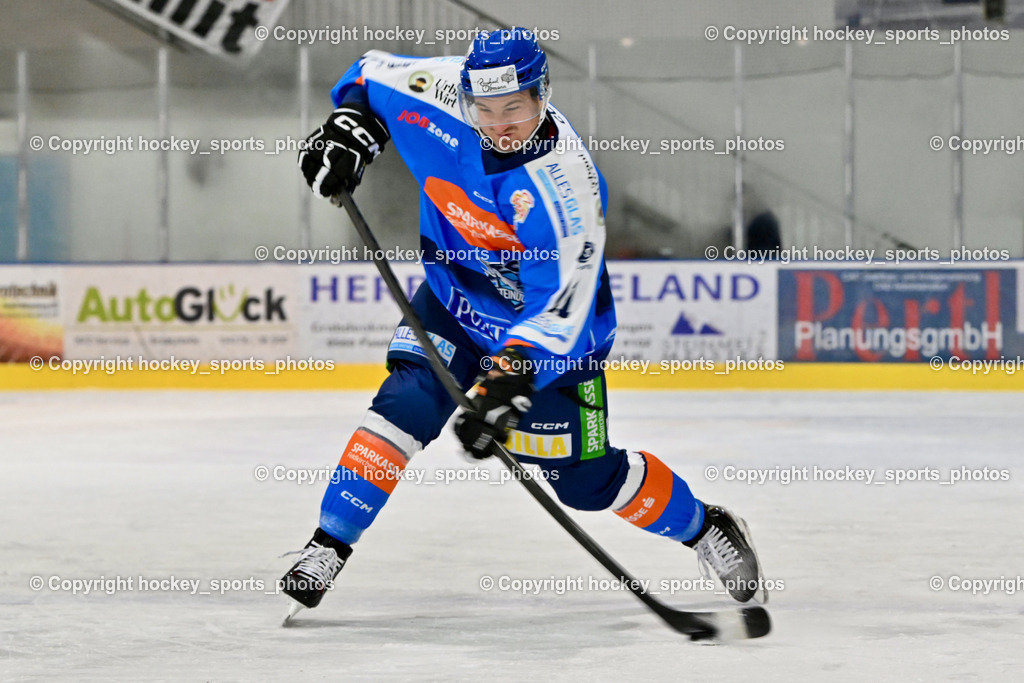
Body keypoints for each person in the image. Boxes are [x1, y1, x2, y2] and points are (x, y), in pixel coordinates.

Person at [280, 28, 766, 615]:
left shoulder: (568, 191)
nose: (499, 124)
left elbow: (560, 306)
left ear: (542, 94)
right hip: (454, 302)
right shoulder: (434, 92)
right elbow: (365, 77)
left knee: (587, 484)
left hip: (552, 347)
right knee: (406, 401)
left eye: (513, 108)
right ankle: (328, 543)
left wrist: (507, 380)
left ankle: (703, 526)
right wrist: (350, 130)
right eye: (485, 110)